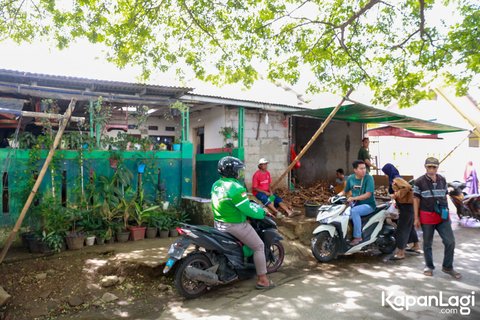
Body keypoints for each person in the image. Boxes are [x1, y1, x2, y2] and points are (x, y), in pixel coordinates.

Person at [211, 156, 275, 289]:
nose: (239, 173)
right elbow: (248, 210)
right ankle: (263, 280)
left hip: (218, 223)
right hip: (234, 225)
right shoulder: (235, 187)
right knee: (258, 246)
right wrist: (262, 212)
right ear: (232, 171)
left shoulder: (216, 184)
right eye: (238, 170)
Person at [413, 157, 461, 279]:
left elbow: (444, 196)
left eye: (434, 167)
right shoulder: (419, 181)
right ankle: (429, 266)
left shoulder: (442, 180)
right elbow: (416, 199)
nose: (431, 169)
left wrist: (448, 212)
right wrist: (416, 218)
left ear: (437, 168)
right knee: (427, 243)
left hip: (442, 216)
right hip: (427, 216)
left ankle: (448, 266)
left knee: (450, 241)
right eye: (429, 166)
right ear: (425, 167)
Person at [381, 163, 420, 260]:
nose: (385, 175)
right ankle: (416, 245)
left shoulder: (396, 178)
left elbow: (407, 187)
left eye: (385, 173)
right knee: (409, 227)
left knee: (401, 229)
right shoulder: (395, 178)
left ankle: (401, 252)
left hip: (406, 208)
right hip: (407, 207)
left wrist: (396, 195)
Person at [338, 160, 376, 246]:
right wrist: (336, 197)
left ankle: (358, 237)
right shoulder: (351, 178)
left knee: (354, 211)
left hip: (368, 205)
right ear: (355, 170)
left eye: (364, 168)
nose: (364, 170)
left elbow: (368, 195)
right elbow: (344, 191)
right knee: (343, 213)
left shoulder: (369, 178)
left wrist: (353, 198)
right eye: (361, 168)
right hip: (356, 204)